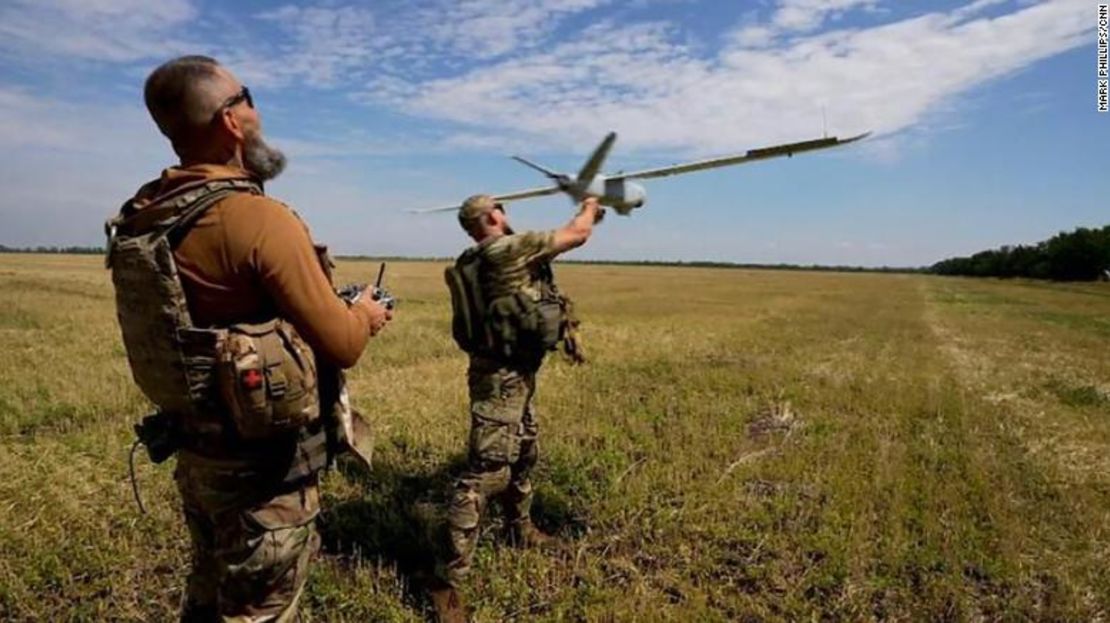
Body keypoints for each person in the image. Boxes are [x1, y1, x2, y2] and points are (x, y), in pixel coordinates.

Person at [106, 55, 391, 621]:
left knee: (208, 597)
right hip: (266, 482)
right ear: (231, 120)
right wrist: (363, 313)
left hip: (199, 459)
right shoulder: (258, 219)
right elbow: (344, 345)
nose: (259, 112)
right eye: (249, 97)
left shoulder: (147, 214)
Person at [431, 194, 602, 620]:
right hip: (500, 378)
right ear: (492, 216)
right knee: (485, 472)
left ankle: (520, 529)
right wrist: (591, 205)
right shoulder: (507, 249)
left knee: (525, 451)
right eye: (501, 210)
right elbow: (577, 234)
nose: (507, 215)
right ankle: (446, 581)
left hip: (514, 373)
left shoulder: (475, 256)